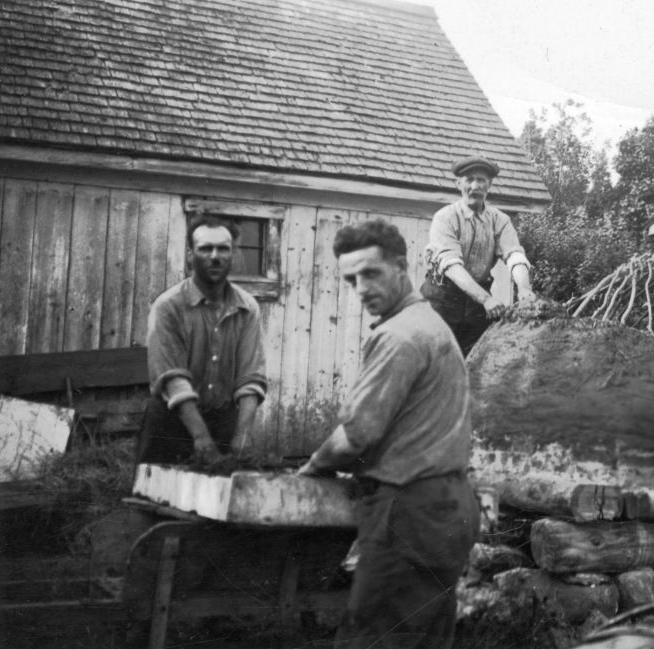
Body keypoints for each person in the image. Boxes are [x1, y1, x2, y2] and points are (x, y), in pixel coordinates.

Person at [297, 219, 479, 649]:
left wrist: (312, 466)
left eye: (371, 273)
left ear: (401, 266)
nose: (360, 288)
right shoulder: (430, 324)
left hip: (409, 511)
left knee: (374, 638)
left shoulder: (400, 336)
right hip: (446, 507)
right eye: (351, 279)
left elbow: (358, 435)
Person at [136, 215, 266, 464]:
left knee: (225, 495)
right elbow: (173, 380)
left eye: (223, 249)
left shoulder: (248, 308)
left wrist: (242, 436)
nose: (215, 256)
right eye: (205, 248)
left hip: (224, 421)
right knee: (155, 496)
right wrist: (201, 438)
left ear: (233, 254)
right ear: (190, 255)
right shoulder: (169, 306)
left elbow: (251, 377)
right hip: (172, 422)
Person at [422, 156, 536, 355]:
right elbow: (452, 266)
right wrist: (486, 299)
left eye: (481, 180)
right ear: (459, 184)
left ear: (489, 185)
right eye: (469, 179)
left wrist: (524, 289)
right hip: (442, 299)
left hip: (476, 307)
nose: (475, 186)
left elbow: (515, 256)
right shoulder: (445, 217)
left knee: (476, 361)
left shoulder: (500, 220)